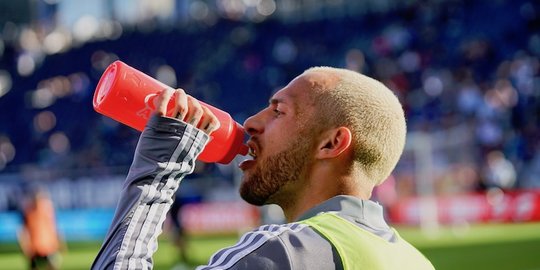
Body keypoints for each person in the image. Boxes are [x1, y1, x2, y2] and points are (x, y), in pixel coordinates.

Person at [92, 67, 435, 269]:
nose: (251, 123)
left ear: (331, 144)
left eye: (278, 111)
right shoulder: (415, 261)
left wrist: (157, 169)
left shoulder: (286, 250)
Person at [18, 188, 63, 270]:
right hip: (35, 247)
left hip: (48, 246)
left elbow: (54, 228)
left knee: (52, 266)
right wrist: (24, 245)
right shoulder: (28, 213)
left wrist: (59, 241)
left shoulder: (47, 211)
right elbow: (23, 231)